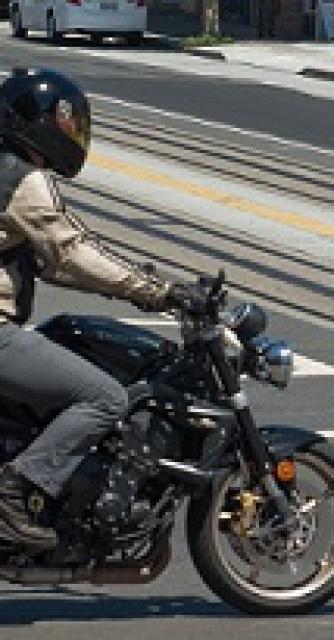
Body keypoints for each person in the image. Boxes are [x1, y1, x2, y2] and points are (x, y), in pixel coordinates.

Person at [0, 68, 199, 551]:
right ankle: (15, 490)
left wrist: (131, 287)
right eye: (68, 124)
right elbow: (71, 251)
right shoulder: (22, 181)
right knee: (105, 398)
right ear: (41, 122)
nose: (73, 135)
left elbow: (51, 265)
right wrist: (159, 292)